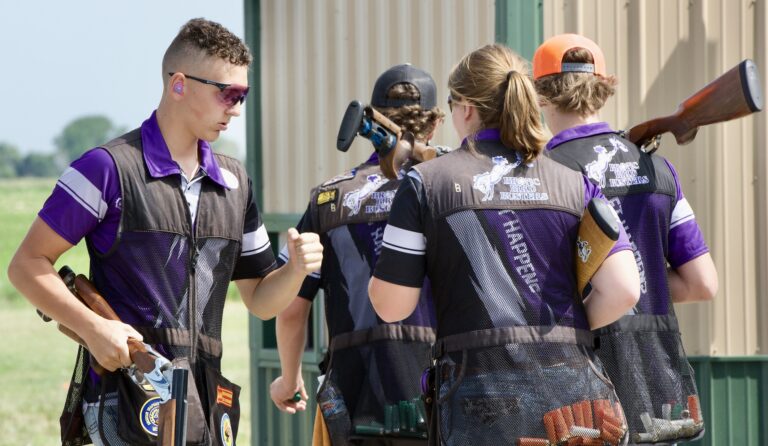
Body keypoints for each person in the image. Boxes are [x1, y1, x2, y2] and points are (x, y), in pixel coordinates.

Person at [7, 18, 323, 446]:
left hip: (205, 410)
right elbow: (26, 264)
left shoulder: (235, 183)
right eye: (227, 93)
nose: (236, 108)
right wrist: (93, 329)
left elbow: (262, 301)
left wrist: (296, 271)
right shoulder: (106, 168)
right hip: (125, 407)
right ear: (179, 84)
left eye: (243, 95)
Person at [369, 43, 641, 446]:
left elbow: (392, 306)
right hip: (573, 397)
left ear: (465, 108)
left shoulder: (425, 182)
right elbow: (624, 290)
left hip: (477, 393)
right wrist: (561, 329)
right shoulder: (574, 182)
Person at [532, 33, 718, 444]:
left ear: (541, 97)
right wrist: (641, 275)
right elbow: (702, 283)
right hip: (659, 391)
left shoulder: (540, 177)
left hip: (578, 399)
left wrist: (602, 283)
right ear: (602, 88)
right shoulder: (659, 169)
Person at [270, 64, 445, 445]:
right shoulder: (451, 190)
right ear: (434, 125)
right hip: (441, 387)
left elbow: (290, 307)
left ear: (373, 128)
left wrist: (289, 377)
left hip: (353, 393)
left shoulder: (328, 199)